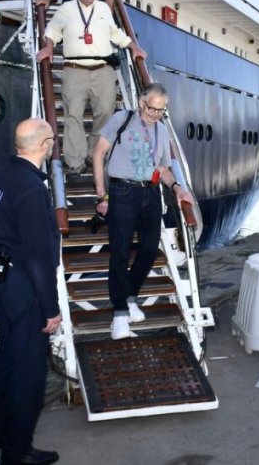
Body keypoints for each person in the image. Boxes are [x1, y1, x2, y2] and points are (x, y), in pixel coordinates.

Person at [0, 118, 61, 465]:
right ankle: (17, 451)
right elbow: (39, 258)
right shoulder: (31, 189)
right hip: (24, 286)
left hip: (0, 277)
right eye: (52, 142)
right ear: (44, 146)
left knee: (5, 361)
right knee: (28, 372)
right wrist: (51, 309)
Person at [90, 83, 194, 340]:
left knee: (148, 251)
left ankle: (130, 296)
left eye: (161, 110)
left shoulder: (161, 129)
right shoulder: (122, 119)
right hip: (123, 193)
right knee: (120, 254)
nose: (155, 113)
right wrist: (102, 193)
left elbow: (165, 169)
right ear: (141, 102)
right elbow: (98, 154)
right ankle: (120, 314)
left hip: (151, 193)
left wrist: (178, 188)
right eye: (152, 107)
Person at [35, 0, 145, 175]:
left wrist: (132, 47)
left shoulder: (103, 7)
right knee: (73, 115)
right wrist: (49, 47)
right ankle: (75, 161)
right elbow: (51, 31)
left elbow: (115, 32)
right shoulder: (66, 9)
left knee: (105, 114)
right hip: (74, 70)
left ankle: (95, 154)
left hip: (103, 70)